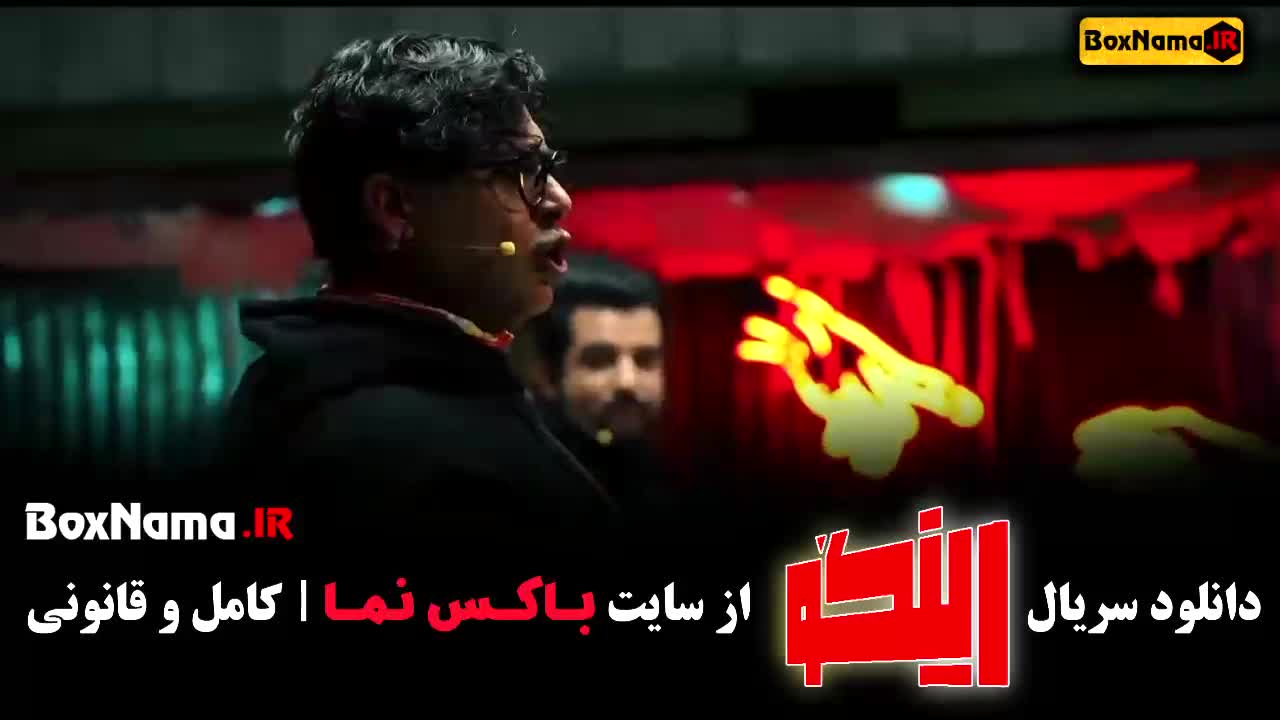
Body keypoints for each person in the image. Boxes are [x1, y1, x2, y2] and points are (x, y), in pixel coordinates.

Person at [219, 33, 619, 556]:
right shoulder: (381, 447)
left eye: (547, 170)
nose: (559, 200)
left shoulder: (318, 389)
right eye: (519, 171)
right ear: (393, 208)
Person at [519, 252, 672, 520]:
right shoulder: (519, 489)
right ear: (547, 375)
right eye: (599, 361)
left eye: (645, 360)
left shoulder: (664, 484)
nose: (627, 381)